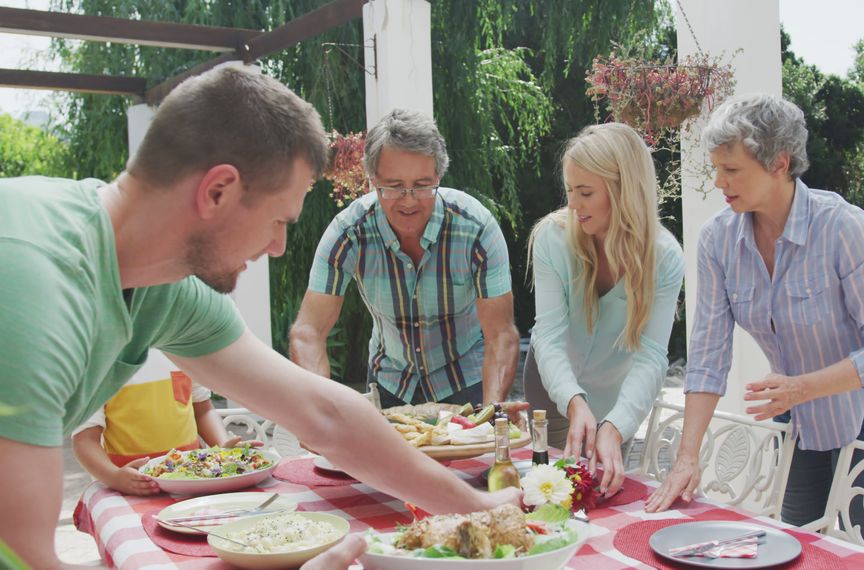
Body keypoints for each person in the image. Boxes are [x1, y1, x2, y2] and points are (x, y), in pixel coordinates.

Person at [0, 65, 518, 570]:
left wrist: (476, 506)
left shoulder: (165, 287)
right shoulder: (32, 281)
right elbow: (26, 556)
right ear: (218, 191)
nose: (277, 247)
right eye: (278, 220)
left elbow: (323, 414)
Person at [644, 94, 864, 554]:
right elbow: (707, 357)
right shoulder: (716, 242)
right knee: (797, 548)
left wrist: (800, 388)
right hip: (798, 415)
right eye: (716, 167)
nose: (719, 182)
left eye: (732, 170)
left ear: (780, 164)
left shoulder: (842, 228)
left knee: (860, 556)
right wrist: (687, 457)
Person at [291, 109, 520, 408]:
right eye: (395, 186)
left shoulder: (476, 228)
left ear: (438, 176)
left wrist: (492, 411)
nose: (409, 200)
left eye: (423, 185)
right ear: (373, 180)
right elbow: (308, 331)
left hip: (469, 381)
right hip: (390, 383)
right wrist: (318, 410)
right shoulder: (348, 232)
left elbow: (501, 334)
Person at [524, 123, 685, 498]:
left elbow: (650, 356)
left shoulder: (665, 258)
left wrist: (617, 424)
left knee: (600, 496)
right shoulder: (551, 239)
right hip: (550, 389)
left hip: (616, 401)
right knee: (544, 495)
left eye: (586, 193)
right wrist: (573, 401)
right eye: (569, 192)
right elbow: (547, 335)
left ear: (624, 191)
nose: (574, 206)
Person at [71, 351, 258, 496]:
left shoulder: (182, 350)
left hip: (195, 480)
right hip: (135, 487)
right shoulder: (98, 362)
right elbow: (84, 440)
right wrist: (114, 477)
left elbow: (203, 411)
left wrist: (223, 446)